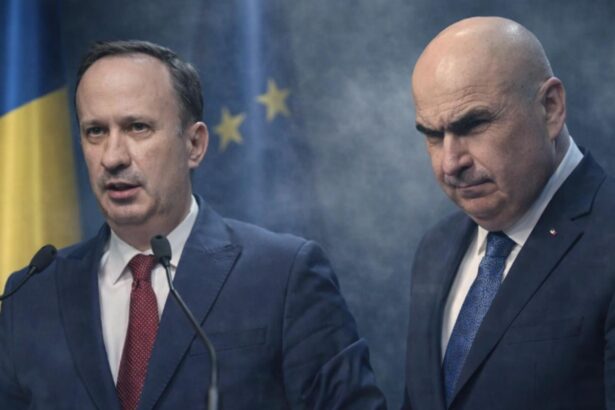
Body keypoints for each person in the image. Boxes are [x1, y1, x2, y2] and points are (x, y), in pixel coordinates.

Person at [0, 40, 386, 410]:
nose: (112, 157)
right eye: (96, 131)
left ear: (195, 145)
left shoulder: (283, 275)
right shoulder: (31, 295)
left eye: (137, 127)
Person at [403, 17, 615, 409]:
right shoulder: (435, 250)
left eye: (474, 124)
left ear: (550, 108)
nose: (450, 163)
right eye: (433, 135)